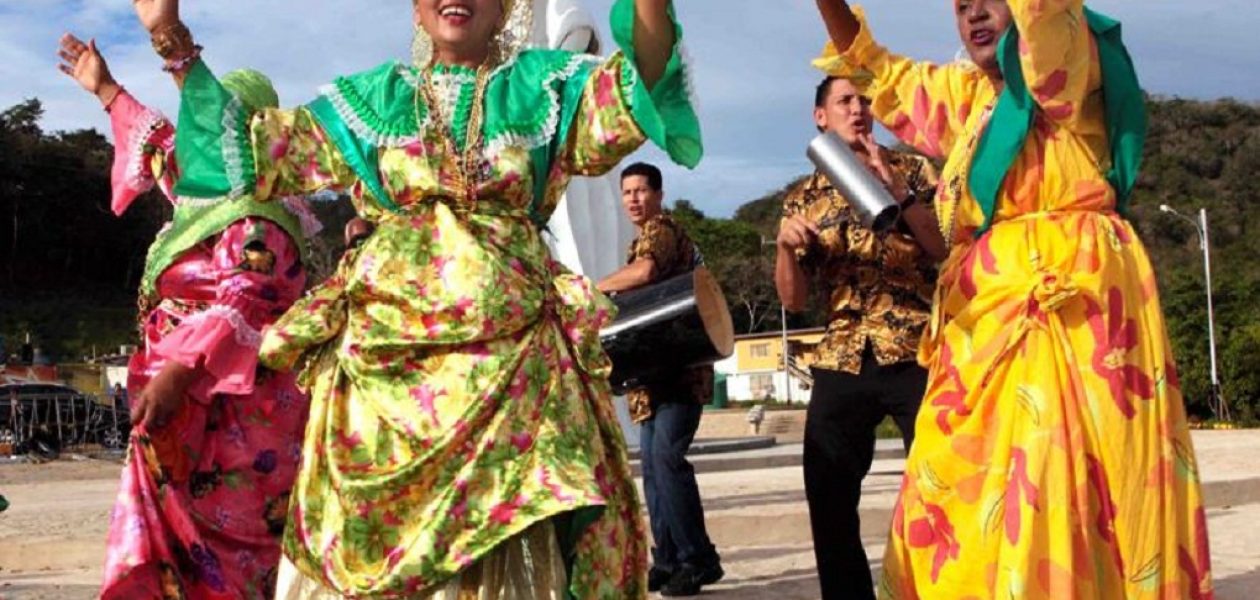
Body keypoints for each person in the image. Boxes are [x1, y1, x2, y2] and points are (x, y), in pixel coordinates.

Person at [126, 0, 702, 596]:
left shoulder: (544, 87)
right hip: (381, 374)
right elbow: (245, 154)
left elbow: (643, 84)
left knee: (517, 537)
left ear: (507, 8)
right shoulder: (372, 100)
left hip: (515, 372)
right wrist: (170, 38)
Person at [812, 1, 1212, 597]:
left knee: (1059, 482)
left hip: (1070, 306)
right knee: (952, 484)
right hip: (982, 317)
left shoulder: (1067, 63)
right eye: (961, 5)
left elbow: (1046, 26)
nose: (973, 13)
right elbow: (878, 72)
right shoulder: (970, 99)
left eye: (989, 1)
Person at [57, 34, 314, 599]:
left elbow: (243, 297)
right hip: (184, 404)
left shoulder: (261, 214)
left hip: (236, 413)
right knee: (179, 547)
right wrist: (103, 88)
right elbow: (156, 141)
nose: (200, 140)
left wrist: (181, 372)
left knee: (228, 553)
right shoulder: (201, 194)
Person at [774, 73, 944, 599]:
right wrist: (784, 248)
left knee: (945, 482)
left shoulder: (912, 169)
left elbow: (945, 248)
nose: (859, 109)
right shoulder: (804, 197)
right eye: (845, 101)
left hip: (916, 346)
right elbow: (794, 300)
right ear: (820, 117)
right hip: (844, 353)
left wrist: (896, 188)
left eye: (866, 101)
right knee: (827, 492)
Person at [597, 162, 722, 596]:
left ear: (659, 193)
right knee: (652, 467)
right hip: (657, 378)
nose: (633, 199)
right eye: (626, 191)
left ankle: (699, 559)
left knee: (667, 461)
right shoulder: (641, 240)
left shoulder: (661, 230)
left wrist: (593, 288)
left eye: (640, 190)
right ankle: (667, 560)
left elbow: (646, 273)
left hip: (680, 376)